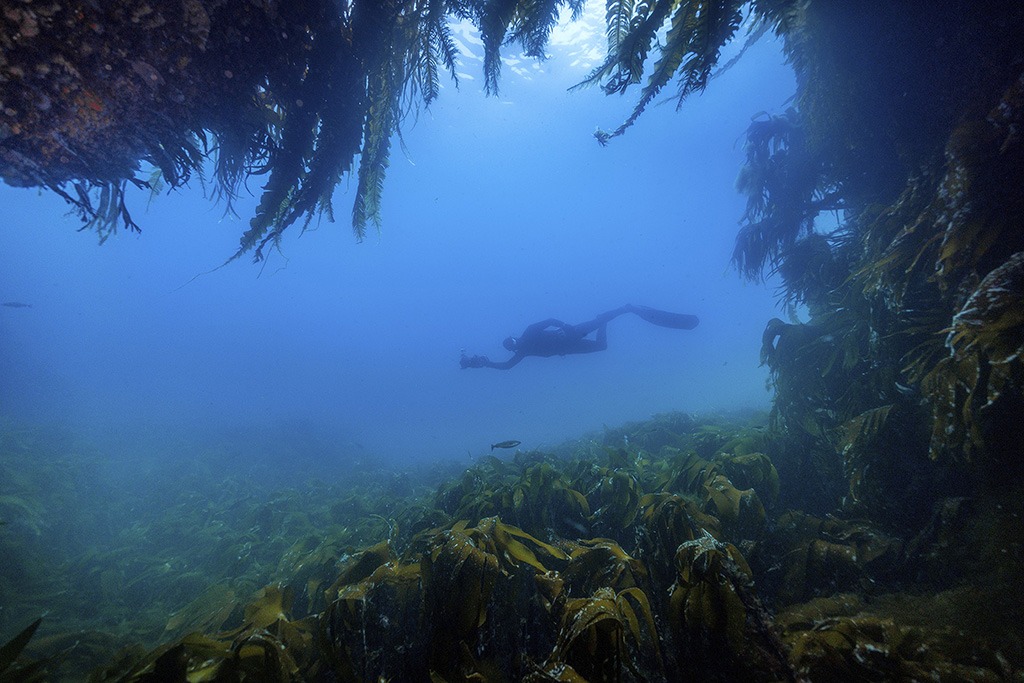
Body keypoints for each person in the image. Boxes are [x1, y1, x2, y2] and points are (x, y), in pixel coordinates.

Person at [460, 304, 699, 370]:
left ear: (513, 338)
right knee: (602, 346)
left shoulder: (529, 332)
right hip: (570, 348)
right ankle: (604, 318)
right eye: (512, 347)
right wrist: (486, 363)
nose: (514, 346)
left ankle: (625, 308)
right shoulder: (523, 351)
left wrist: (566, 326)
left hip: (571, 333)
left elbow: (551, 319)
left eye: (512, 342)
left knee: (599, 323)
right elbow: (506, 367)